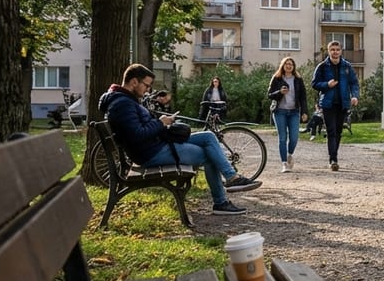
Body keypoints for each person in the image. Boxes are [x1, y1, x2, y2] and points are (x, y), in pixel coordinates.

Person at [100, 64, 259, 215]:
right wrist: (160, 123)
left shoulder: (124, 100)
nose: (148, 89)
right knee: (209, 155)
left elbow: (140, 129)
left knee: (208, 137)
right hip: (151, 153)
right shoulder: (122, 104)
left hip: (155, 145)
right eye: (146, 85)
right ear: (134, 82)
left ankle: (232, 178)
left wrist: (161, 122)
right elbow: (137, 135)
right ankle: (221, 202)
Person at [312, 41, 359, 171]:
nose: (335, 52)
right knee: (331, 131)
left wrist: (354, 96)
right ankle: (333, 159)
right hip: (328, 103)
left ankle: (334, 156)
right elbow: (314, 83)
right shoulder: (322, 67)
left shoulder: (347, 66)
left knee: (338, 131)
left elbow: (354, 83)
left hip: (343, 103)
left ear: (341, 51)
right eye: (332, 49)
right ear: (328, 51)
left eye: (337, 49)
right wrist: (327, 85)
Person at [268, 57, 308, 173]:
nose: (289, 66)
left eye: (291, 64)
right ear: (283, 66)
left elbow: (303, 97)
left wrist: (305, 112)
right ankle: (284, 163)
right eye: (286, 64)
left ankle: (290, 154)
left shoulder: (298, 79)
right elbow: (269, 95)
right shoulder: (276, 78)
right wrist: (279, 92)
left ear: (294, 66)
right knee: (282, 138)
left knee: (294, 137)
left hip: (294, 112)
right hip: (280, 111)